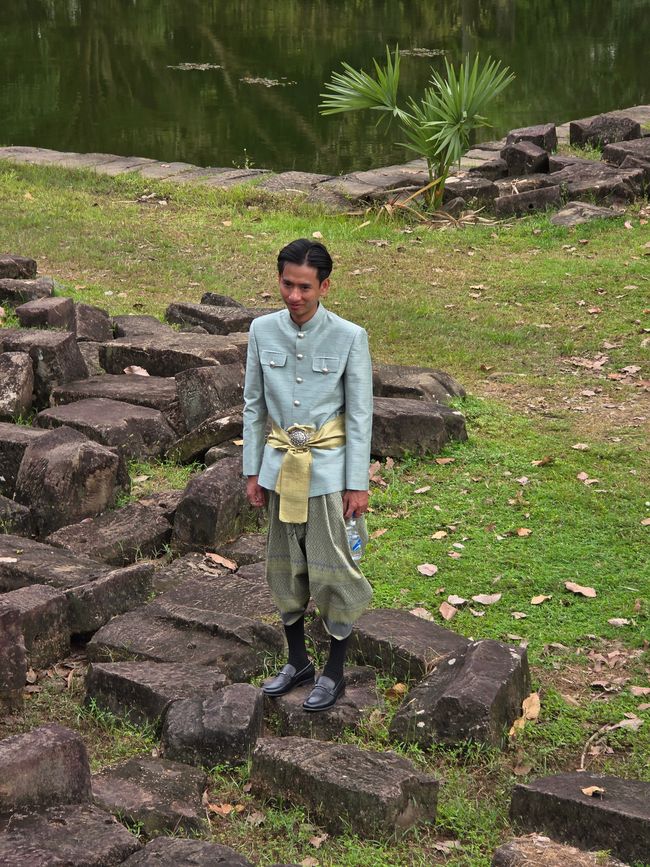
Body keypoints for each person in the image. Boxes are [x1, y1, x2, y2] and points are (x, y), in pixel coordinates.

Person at [243, 238, 373, 712]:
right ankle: (297, 661)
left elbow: (359, 415)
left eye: (304, 287)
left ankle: (334, 671)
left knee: (333, 569)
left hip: (328, 475)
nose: (294, 296)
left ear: (324, 287)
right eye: (287, 284)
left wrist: (357, 483)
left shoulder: (349, 337)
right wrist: (253, 472)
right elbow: (254, 406)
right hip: (279, 469)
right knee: (284, 567)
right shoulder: (261, 330)